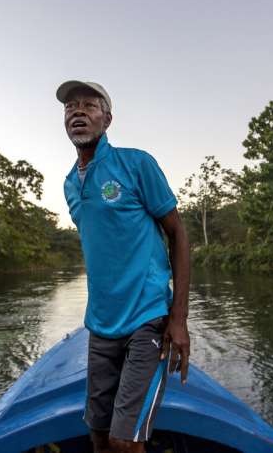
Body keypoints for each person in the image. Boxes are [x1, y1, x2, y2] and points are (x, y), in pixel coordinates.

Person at [58, 80, 190, 453]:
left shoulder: (136, 163)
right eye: (70, 107)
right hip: (101, 324)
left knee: (123, 441)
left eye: (89, 105)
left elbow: (178, 234)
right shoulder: (69, 184)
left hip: (147, 317)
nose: (77, 111)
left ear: (107, 119)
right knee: (98, 434)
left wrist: (178, 319)